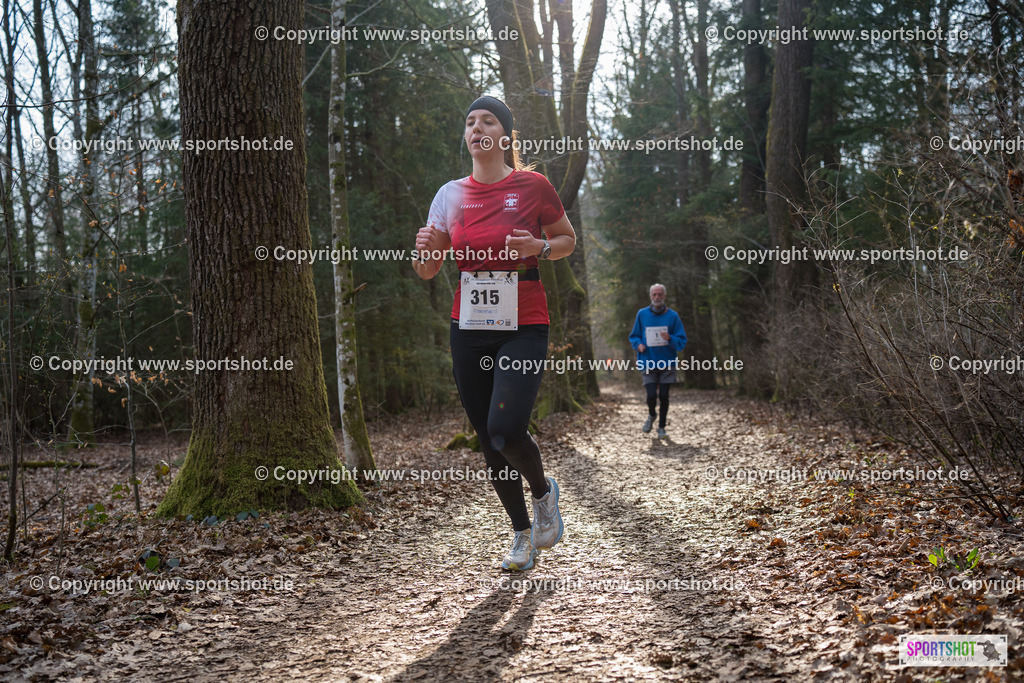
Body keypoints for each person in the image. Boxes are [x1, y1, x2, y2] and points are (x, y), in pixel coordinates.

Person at [412, 95, 576, 571]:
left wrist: (540, 246)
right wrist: (423, 249)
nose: (477, 127)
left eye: (488, 120)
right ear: (465, 136)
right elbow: (428, 270)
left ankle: (544, 493)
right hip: (469, 325)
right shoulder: (450, 195)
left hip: (524, 323)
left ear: (505, 136)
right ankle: (521, 534)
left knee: (506, 431)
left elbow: (567, 240)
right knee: (487, 437)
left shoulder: (532, 185)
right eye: (469, 121)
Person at [629, 284, 687, 438]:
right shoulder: (642, 314)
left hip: (667, 362)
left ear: (664, 296)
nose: (656, 297)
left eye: (659, 294)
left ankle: (661, 428)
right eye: (654, 294)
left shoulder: (673, 316)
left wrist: (670, 338)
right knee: (651, 396)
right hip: (647, 362)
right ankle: (651, 414)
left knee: (664, 396)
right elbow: (634, 336)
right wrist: (638, 344)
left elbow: (682, 341)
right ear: (650, 296)